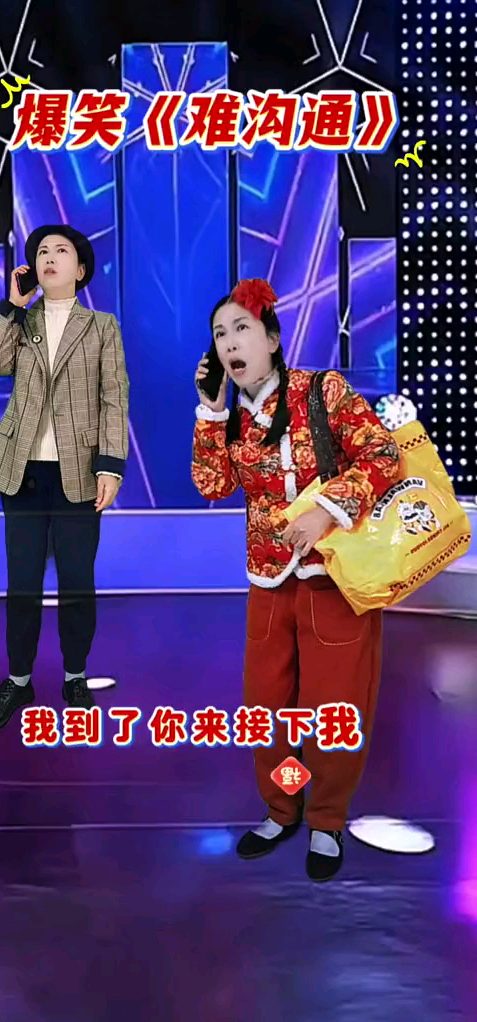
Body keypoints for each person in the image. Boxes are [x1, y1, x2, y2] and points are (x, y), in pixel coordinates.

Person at [191, 278, 400, 881]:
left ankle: (327, 820)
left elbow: (382, 455)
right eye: (220, 334)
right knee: (267, 705)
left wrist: (326, 510)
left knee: (335, 704)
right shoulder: (231, 418)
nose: (230, 343)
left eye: (242, 328)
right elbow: (211, 484)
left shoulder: (321, 391)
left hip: (334, 577)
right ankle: (283, 807)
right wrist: (210, 411)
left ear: (272, 338)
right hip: (268, 581)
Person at [0, 225, 129, 734]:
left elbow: (113, 398)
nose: (49, 257)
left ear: (80, 270)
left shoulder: (102, 326)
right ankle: (18, 680)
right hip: (21, 472)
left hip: (78, 472)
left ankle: (74, 677)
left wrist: (111, 465)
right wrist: (12, 307)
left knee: (77, 582)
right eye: (42, 251)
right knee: (21, 584)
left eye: (61, 251)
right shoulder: (23, 320)